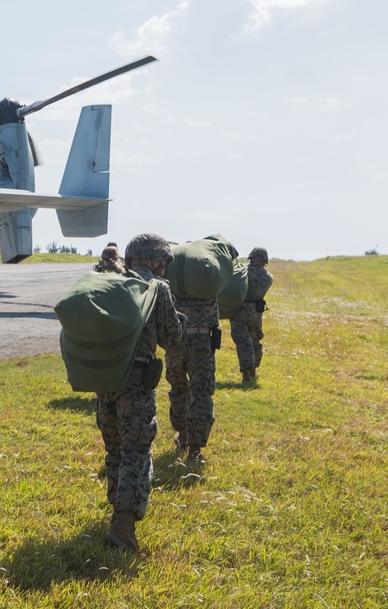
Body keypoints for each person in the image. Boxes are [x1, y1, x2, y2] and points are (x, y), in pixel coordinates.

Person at [97, 233, 185, 552]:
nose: (163, 267)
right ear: (153, 260)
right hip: (135, 381)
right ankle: (123, 528)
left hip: (104, 379)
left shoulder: (108, 281)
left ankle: (116, 516)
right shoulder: (157, 288)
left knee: (115, 449)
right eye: (162, 261)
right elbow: (171, 338)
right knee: (136, 450)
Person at [165, 293, 219, 463]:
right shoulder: (209, 277)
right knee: (201, 392)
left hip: (176, 341)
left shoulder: (171, 275)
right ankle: (195, 450)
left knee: (178, 387)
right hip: (202, 341)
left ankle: (182, 435)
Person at [230, 247, 274, 383]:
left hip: (238, 310)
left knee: (242, 342)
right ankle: (254, 371)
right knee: (255, 340)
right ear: (265, 260)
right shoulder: (268, 277)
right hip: (256, 311)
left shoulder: (241, 271)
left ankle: (245, 375)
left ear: (251, 258)